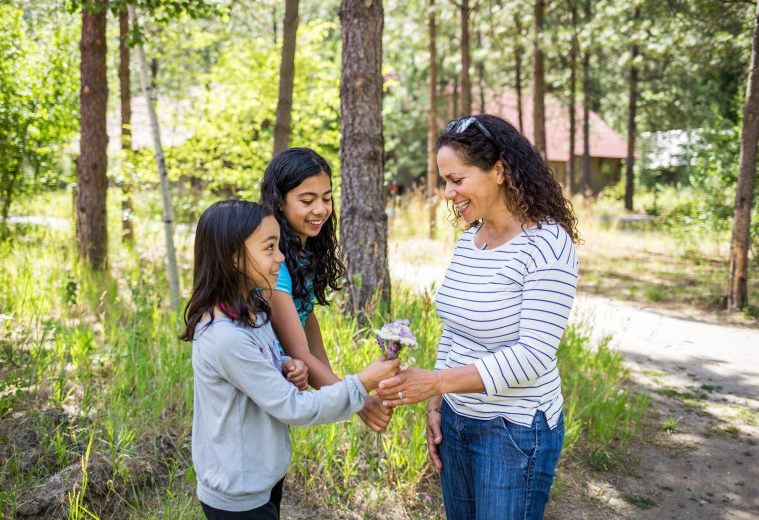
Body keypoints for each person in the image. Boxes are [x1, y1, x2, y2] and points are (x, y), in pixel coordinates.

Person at [376, 115, 581, 520]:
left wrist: (434, 381)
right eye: (444, 182)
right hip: (456, 420)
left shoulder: (549, 244)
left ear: (500, 171)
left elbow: (533, 355)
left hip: (515, 430)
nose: (448, 193)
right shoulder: (472, 240)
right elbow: (454, 330)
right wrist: (437, 405)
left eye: (457, 180)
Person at [179, 199, 400, 520]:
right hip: (237, 495)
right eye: (269, 248)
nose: (281, 257)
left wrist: (284, 366)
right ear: (233, 258)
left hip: (260, 477)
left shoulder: (253, 309)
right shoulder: (224, 336)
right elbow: (292, 408)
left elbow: (258, 366)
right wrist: (362, 383)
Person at [260, 147, 394, 432]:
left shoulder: (303, 250)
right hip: (259, 381)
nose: (320, 209)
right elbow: (300, 353)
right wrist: (356, 399)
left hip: (282, 378)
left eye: (327, 197)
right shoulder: (275, 266)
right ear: (279, 202)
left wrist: (337, 387)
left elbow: (305, 317)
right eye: (307, 200)